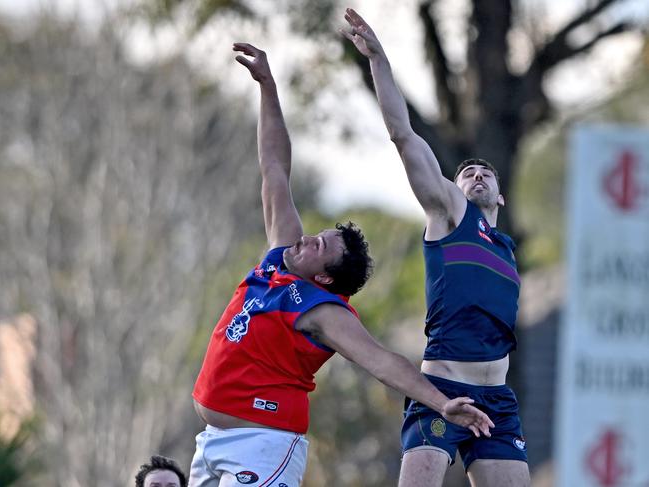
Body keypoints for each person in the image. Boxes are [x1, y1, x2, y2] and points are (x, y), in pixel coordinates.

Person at [188, 42, 494, 487]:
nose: (308, 239)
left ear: (326, 277)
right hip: (213, 439)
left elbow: (383, 362)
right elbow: (274, 167)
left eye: (320, 247)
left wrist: (440, 402)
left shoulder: (322, 308)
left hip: (265, 442)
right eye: (319, 235)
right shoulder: (279, 261)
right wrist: (268, 87)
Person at [342, 8, 531, 487]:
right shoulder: (450, 214)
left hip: (498, 400)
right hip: (442, 388)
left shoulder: (507, 248)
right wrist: (380, 60)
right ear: (453, 188)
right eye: (466, 172)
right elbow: (403, 135)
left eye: (486, 171)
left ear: (500, 193)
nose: (476, 174)